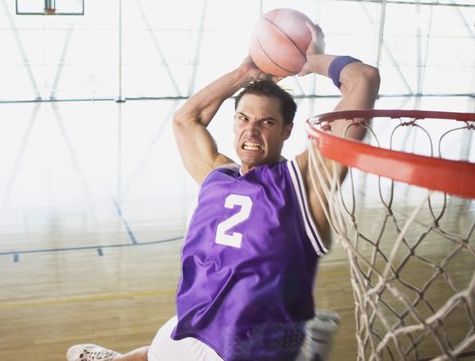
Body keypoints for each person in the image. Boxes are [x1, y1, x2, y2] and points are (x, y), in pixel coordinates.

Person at [66, 22, 380, 361]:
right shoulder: (218, 175)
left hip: (249, 349)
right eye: (243, 118)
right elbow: (186, 120)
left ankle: (310, 355)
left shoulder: (304, 182)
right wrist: (244, 73)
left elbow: (364, 79)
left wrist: (312, 61)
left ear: (287, 130)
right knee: (154, 353)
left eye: (267, 122)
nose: (251, 130)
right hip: (192, 323)